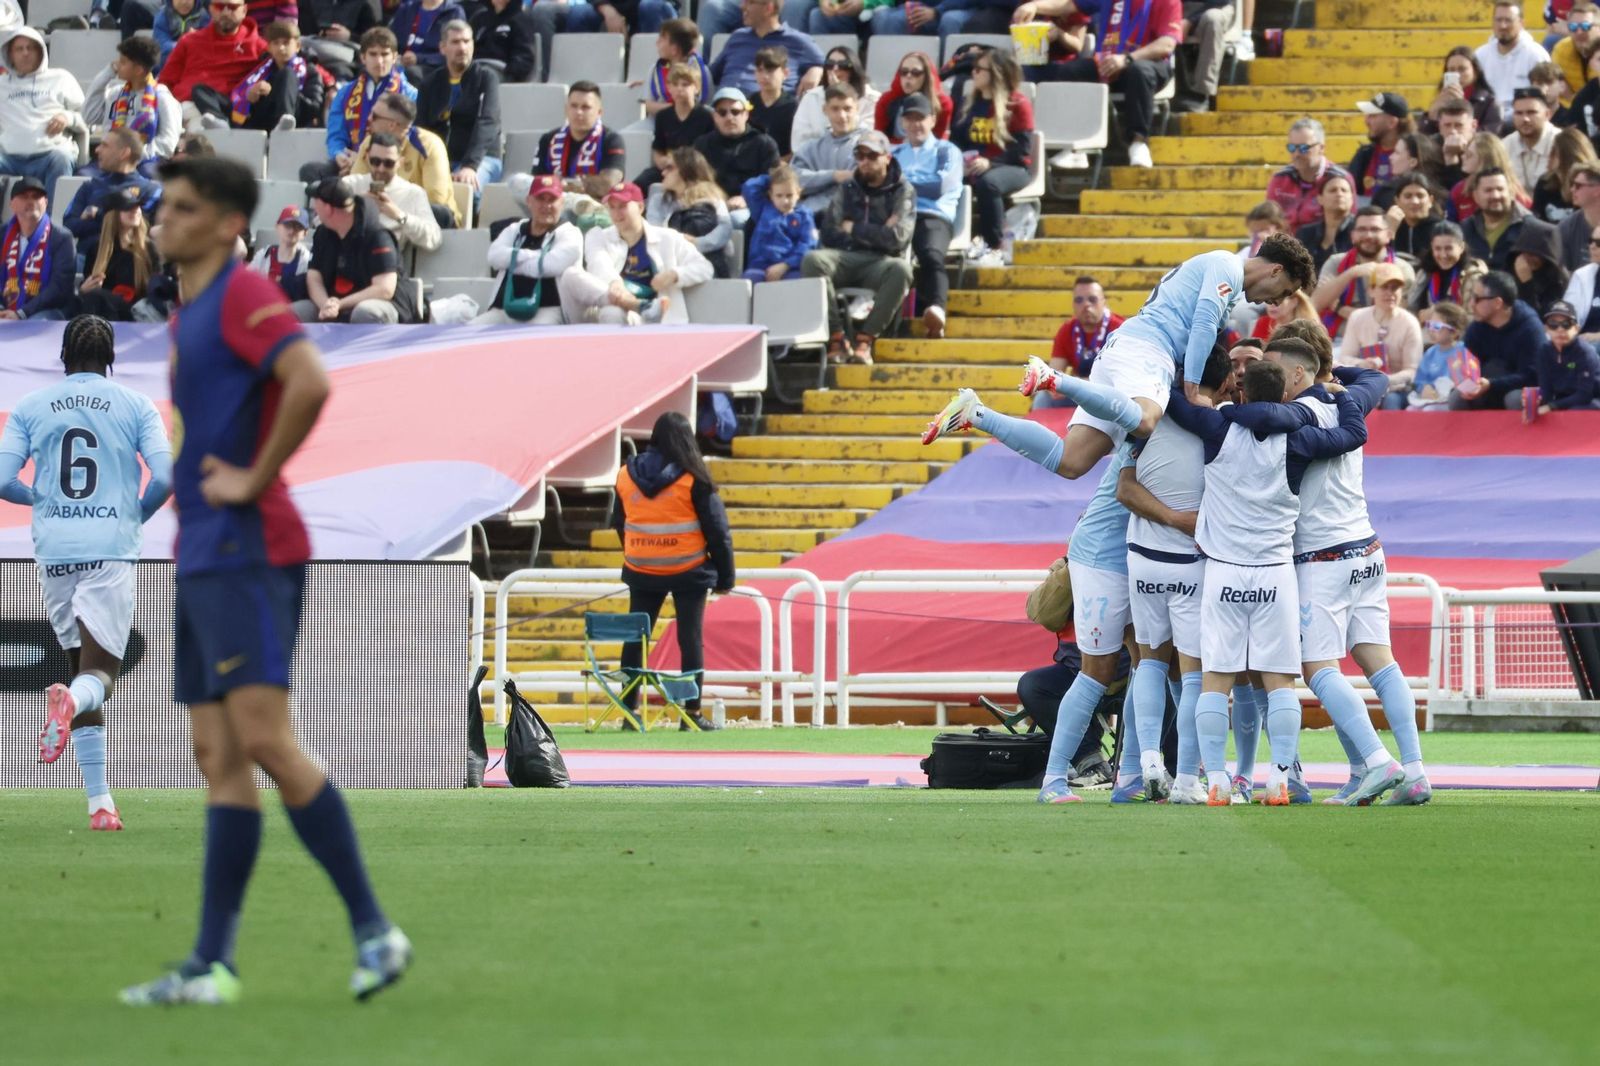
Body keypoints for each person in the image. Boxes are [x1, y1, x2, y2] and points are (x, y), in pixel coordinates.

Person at [120, 154, 410, 1007]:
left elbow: (311, 378)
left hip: (251, 545)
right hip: (202, 551)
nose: (160, 220)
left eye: (177, 208)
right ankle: (211, 965)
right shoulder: (191, 312)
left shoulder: (245, 294)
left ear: (219, 223)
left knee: (264, 741)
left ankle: (374, 930)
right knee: (217, 753)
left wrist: (251, 478)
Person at [1166, 350, 1385, 806]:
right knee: (1280, 681)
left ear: (1242, 389)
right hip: (1276, 574)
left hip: (1223, 573)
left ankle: (1220, 783)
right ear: (1285, 391)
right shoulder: (1301, 438)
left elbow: (1173, 403)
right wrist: (1337, 396)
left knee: (1217, 682)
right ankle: (1280, 779)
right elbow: (1354, 433)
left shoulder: (1218, 426)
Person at [925, 235, 1315, 484]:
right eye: (1286, 289)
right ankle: (1054, 379)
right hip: (1146, 351)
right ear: (1276, 269)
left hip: (1126, 349)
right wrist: (1194, 391)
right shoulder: (1227, 265)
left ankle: (976, 413)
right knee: (1146, 419)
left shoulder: (1222, 274)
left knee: (1071, 462)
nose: (1279, 300)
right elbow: (1201, 324)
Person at [0, 315, 171, 831]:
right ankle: (69, 701)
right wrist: (135, 513)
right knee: (100, 680)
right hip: (110, 550)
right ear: (111, 358)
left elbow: (3, 479)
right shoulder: (136, 405)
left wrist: (41, 499)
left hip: (54, 552)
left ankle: (100, 805)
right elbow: (165, 476)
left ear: (63, 357)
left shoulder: (31, 406)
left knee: (83, 669)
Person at [1257, 341, 1430, 804]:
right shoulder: (1344, 401)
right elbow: (1374, 377)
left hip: (1322, 556)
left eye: (1273, 371)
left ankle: (1377, 761)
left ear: (1297, 375)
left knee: (1317, 669)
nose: (1268, 380)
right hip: (1367, 547)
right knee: (1380, 661)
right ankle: (1413, 771)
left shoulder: (1295, 417)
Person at [1111, 344, 1238, 803]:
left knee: (1149, 661)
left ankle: (1147, 759)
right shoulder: (1225, 429)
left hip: (1143, 557)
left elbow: (1124, 488)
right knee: (1194, 677)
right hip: (1192, 562)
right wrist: (1184, 520)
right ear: (1224, 383)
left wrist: (1164, 516)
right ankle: (1186, 779)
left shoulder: (1144, 421)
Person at [609, 411, 735, 733]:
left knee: (635, 640)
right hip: (688, 570)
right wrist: (725, 577)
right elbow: (718, 532)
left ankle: (629, 714)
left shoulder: (625, 474)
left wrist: (640, 551)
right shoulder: (694, 478)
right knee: (689, 639)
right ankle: (691, 713)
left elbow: (618, 522)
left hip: (641, 569)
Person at [1014, 0, 1181, 169]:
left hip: (1150, 63)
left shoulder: (1168, 2)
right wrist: (1034, 6)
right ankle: (1076, 148)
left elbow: (1166, 45)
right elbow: (1068, 5)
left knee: (1138, 71)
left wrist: (1127, 59)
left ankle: (1138, 142)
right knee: (1071, 71)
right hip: (1109, 61)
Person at [801, 130, 915, 365]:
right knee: (813, 260)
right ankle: (836, 337)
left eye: (871, 156)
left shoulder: (903, 190)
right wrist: (877, 231)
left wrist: (853, 228)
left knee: (901, 270)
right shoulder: (848, 187)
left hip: (881, 261)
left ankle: (865, 339)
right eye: (859, 155)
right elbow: (830, 232)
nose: (864, 162)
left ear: (887, 157)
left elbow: (897, 238)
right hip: (846, 256)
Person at [557, 181, 714, 325]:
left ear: (640, 207)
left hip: (651, 319)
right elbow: (598, 264)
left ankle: (641, 309)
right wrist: (614, 283)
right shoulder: (598, 236)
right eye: (612, 207)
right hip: (602, 307)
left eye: (623, 206)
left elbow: (704, 267)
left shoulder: (668, 238)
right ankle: (636, 305)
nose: (617, 213)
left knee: (612, 313)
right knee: (570, 275)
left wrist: (674, 274)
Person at [948, 48, 1035, 266]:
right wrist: (961, 162)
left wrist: (990, 162)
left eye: (979, 69)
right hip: (974, 166)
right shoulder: (968, 104)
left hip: (1013, 167)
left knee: (989, 184)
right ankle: (953, 241)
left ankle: (994, 246)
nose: (973, 73)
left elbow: (1022, 149)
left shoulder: (1017, 104)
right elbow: (956, 141)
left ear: (996, 73)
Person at [293, 176, 420, 323]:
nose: (313, 207)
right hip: (333, 302)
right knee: (292, 313)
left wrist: (341, 304)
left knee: (365, 312)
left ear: (328, 209)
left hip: (383, 303)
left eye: (316, 201)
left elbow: (384, 289)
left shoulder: (377, 236)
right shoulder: (323, 234)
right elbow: (314, 277)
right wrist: (325, 304)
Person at [892, 94, 962, 340]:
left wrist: (900, 184)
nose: (915, 124)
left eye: (920, 118)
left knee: (931, 253)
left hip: (932, 214)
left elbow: (940, 185)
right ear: (902, 122)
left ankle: (936, 309)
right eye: (909, 119)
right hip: (898, 215)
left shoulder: (947, 150)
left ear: (932, 120)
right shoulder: (895, 153)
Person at [310, 27, 417, 182]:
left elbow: (408, 139)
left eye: (385, 54)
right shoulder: (345, 93)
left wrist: (363, 160)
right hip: (349, 161)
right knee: (311, 172)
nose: (379, 61)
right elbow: (335, 135)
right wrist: (340, 155)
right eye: (373, 54)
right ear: (363, 57)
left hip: (389, 166)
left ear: (394, 57)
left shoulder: (409, 94)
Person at [474, 174, 581, 323]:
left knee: (534, 340)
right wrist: (536, 258)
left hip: (548, 309)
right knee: (468, 333)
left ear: (562, 203)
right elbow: (494, 256)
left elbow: (553, 265)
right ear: (528, 201)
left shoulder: (570, 232)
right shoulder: (515, 228)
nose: (546, 205)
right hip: (504, 309)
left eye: (552, 200)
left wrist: (513, 260)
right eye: (540, 199)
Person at [349, 92, 461, 229]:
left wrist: (393, 208)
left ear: (392, 125)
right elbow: (353, 187)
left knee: (439, 212)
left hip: (423, 221)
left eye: (375, 116)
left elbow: (436, 200)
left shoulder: (430, 145)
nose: (368, 118)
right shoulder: (369, 143)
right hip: (380, 215)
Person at [0, 29, 88, 203]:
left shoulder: (61, 78)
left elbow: (88, 115)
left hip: (50, 155)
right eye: (19, 49)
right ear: (9, 54)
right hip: (9, 157)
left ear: (41, 51)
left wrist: (67, 118)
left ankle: (53, 225)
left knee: (61, 158)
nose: (25, 53)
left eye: (31, 48)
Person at [416, 20, 504, 191]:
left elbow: (488, 122)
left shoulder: (486, 78)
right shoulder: (430, 83)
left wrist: (470, 165)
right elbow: (421, 128)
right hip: (441, 159)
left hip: (482, 158)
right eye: (455, 42)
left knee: (463, 186)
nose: (462, 48)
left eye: (466, 41)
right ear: (442, 47)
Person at [1312, 205, 1417, 338]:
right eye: (1362, 230)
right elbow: (1315, 304)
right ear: (1353, 236)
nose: (1368, 235)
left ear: (1388, 235)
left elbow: (1395, 315)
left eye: (1375, 229)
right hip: (1338, 338)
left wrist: (1340, 308)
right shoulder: (1336, 262)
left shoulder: (1402, 268)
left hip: (1385, 339)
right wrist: (1351, 273)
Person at [160, 0, 268, 128]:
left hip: (227, 110)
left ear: (244, 10)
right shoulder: (189, 41)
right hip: (184, 107)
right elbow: (165, 83)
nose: (226, 12)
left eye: (232, 7)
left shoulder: (258, 46)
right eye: (220, 6)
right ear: (211, 9)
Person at [83, 35, 183, 170]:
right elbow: (89, 115)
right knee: (83, 174)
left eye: (123, 62)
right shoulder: (116, 94)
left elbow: (168, 143)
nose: (117, 65)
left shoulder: (162, 97)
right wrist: (108, 73)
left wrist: (132, 156)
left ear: (138, 70)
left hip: (145, 162)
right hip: (111, 160)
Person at [65, 128, 162, 264]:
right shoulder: (90, 186)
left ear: (124, 153)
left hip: (131, 263)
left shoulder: (151, 190)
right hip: (87, 259)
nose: (97, 150)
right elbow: (69, 225)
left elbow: (142, 225)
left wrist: (97, 214)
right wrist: (115, 220)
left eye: (105, 145)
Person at [526, 0, 676, 88]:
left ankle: (655, 81)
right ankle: (581, 85)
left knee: (651, 7)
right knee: (579, 15)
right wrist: (606, 8)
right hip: (610, 4)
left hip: (651, 5)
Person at [63, 186, 159, 321]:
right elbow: (88, 289)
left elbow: (156, 293)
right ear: (113, 215)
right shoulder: (96, 250)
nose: (136, 211)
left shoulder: (150, 250)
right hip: (103, 314)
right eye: (128, 208)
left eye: (137, 207)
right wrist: (84, 289)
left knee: (97, 296)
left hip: (137, 314)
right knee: (87, 299)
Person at [1336, 262, 1422, 407]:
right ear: (1371, 290)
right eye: (1384, 287)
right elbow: (1345, 357)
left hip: (1397, 388)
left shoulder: (1410, 323)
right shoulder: (1357, 317)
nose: (1390, 293)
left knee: (1391, 401)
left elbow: (1412, 370)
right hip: (1364, 383)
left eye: (1395, 288)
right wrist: (1361, 364)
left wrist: (1384, 381)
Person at [1454, 268, 1544, 407]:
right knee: (1457, 398)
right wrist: (1465, 379)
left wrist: (1492, 384)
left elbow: (1533, 376)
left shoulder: (1529, 329)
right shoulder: (1477, 327)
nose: (1471, 304)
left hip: (1517, 386)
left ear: (1497, 303)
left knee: (1516, 399)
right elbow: (1469, 363)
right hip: (1486, 385)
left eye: (1477, 299)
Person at [343, 130, 444, 254]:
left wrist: (399, 216)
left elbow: (434, 238)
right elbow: (320, 222)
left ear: (400, 163)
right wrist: (354, 206)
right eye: (375, 161)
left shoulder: (413, 193)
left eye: (388, 163)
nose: (381, 168)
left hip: (387, 260)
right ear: (367, 157)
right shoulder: (350, 185)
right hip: (349, 257)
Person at [1036, 276, 1125, 409]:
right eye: (1079, 300)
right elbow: (1053, 374)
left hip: (1111, 392)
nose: (1086, 305)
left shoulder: (1120, 329)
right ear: (1073, 305)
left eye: (1092, 299)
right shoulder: (1067, 330)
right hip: (1079, 391)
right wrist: (1055, 386)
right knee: (1043, 399)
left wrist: (1070, 383)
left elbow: (1120, 379)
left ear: (1103, 302)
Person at [694, 87, 781, 221]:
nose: (729, 117)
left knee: (736, 219)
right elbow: (694, 180)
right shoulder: (702, 144)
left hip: (748, 205)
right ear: (714, 117)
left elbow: (772, 182)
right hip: (710, 203)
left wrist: (747, 198)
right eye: (722, 112)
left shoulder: (764, 144)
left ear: (746, 114)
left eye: (735, 112)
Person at [647, 147, 735, 278]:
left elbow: (725, 228)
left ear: (686, 170)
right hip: (669, 259)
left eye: (670, 168)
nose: (663, 173)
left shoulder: (712, 199)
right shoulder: (658, 200)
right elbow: (654, 231)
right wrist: (682, 242)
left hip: (706, 259)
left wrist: (698, 243)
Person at [708, 0, 825, 98]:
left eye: (749, 2)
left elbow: (833, 67)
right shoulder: (737, 37)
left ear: (768, 8)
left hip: (769, 116)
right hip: (724, 113)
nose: (742, 6)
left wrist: (817, 70)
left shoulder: (798, 41)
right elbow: (710, 75)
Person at [223, 18, 323, 133]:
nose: (281, 48)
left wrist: (288, 92)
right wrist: (251, 97)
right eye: (276, 43)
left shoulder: (310, 71)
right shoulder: (261, 72)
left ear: (297, 46)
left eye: (286, 43)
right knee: (202, 89)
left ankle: (285, 120)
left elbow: (314, 108)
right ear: (269, 47)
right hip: (265, 124)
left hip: (298, 123)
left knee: (287, 73)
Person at [0, 178, 78, 322]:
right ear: (12, 204)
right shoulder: (2, 234)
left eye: (37, 197)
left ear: (46, 203)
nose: (31, 201)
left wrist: (22, 313)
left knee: (36, 323)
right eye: (24, 197)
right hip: (6, 307)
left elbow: (59, 287)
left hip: (48, 310)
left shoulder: (62, 238)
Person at [535, 80, 627, 200]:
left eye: (585, 107)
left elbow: (608, 185)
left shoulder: (611, 139)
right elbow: (538, 182)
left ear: (599, 112)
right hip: (553, 201)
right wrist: (577, 185)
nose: (578, 112)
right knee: (517, 182)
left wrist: (563, 184)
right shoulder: (549, 139)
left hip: (593, 206)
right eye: (574, 106)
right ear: (566, 109)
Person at [1264, 119, 1350, 233]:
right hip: (1286, 246)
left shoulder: (1340, 180)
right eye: (1292, 148)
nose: (1297, 154)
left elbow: (1349, 225)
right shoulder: (1280, 179)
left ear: (1321, 148)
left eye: (1304, 148)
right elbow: (1268, 222)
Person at [641, 61, 714, 190]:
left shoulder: (707, 116)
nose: (679, 89)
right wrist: (662, 162)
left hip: (694, 170)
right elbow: (658, 149)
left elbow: (709, 154)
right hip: (668, 168)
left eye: (685, 85)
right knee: (640, 183)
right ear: (669, 88)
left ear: (696, 88)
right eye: (675, 84)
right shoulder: (663, 116)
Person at [793, 84, 864, 214]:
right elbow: (793, 181)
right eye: (835, 109)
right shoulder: (810, 148)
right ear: (825, 110)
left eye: (847, 109)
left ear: (857, 108)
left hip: (847, 218)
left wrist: (815, 182)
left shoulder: (868, 145)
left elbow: (862, 182)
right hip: (806, 217)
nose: (842, 116)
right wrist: (834, 176)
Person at [1476, 2, 1551, 123]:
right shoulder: (1480, 55)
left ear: (1521, 23)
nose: (1503, 26)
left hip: (1523, 120)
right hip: (1487, 121)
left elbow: (1543, 96)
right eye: (1498, 20)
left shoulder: (1536, 54)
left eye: (1508, 20)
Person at [741, 163, 816, 284]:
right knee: (749, 280)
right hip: (760, 267)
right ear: (771, 194)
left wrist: (786, 265)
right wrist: (773, 177)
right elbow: (749, 186)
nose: (785, 201)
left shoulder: (804, 216)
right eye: (779, 195)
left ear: (798, 193)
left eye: (789, 195)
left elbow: (807, 244)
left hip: (789, 268)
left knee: (800, 281)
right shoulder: (763, 209)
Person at [791, 46, 878, 148]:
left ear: (853, 69)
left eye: (843, 65)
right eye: (830, 64)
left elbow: (869, 137)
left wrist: (839, 93)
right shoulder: (811, 97)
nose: (835, 69)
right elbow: (798, 142)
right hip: (817, 159)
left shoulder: (872, 99)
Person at [636, 17, 711, 119]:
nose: (657, 43)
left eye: (662, 39)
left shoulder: (701, 71)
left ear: (674, 49)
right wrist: (675, 109)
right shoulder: (655, 70)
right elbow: (649, 106)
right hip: (660, 121)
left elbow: (707, 105)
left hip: (694, 121)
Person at [1406, 301, 1477, 409]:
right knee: (1410, 410)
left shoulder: (1463, 351)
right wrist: (1424, 388)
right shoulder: (1430, 353)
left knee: (1429, 411)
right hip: (1430, 399)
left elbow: (1470, 380)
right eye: (1429, 324)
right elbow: (1419, 379)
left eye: (1436, 326)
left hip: (1451, 402)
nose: (1431, 330)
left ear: (1455, 332)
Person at [1171, 0, 1237, 114]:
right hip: (1182, 8)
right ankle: (1173, 92)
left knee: (1213, 19)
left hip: (1217, 6)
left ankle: (1202, 94)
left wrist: (1190, 20)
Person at [1421, 45, 1502, 136]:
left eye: (1462, 69)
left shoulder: (1489, 103)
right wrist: (1431, 116)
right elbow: (1424, 139)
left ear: (1475, 72)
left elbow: (1489, 136)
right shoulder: (1441, 101)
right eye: (1451, 70)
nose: (1457, 74)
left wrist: (1462, 106)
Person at [1534, 298, 1600, 408]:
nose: (1560, 329)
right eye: (1553, 324)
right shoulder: (1544, 351)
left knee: (1576, 411)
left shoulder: (1585, 353)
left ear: (1576, 328)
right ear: (1546, 329)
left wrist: (1552, 406)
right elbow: (1546, 389)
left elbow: (1584, 395)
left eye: (1566, 324)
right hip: (1562, 399)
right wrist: (1537, 403)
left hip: (1592, 399)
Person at [1409, 219, 1487, 311]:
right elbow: (1410, 308)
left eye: (1448, 248)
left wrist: (1435, 315)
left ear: (1461, 247)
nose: (1443, 255)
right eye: (1437, 249)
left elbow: (1474, 317)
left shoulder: (1473, 276)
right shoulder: (1425, 273)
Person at [876, 50, 952, 143]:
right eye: (904, 72)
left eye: (915, 72)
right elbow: (878, 136)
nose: (908, 76)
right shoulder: (886, 100)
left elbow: (940, 138)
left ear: (926, 76)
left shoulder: (942, 103)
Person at [1464, 166, 1532, 268]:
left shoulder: (1530, 228)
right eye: (1488, 190)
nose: (1495, 195)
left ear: (1511, 192)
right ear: (1476, 196)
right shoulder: (1466, 228)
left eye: (1500, 189)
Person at [1350, 92, 1413, 200]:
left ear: (1392, 122)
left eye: (1373, 116)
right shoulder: (1365, 154)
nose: (1367, 121)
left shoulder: (1415, 153)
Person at [388, 0, 467, 85]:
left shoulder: (454, 12)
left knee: (412, 73)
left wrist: (419, 58)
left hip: (434, 67)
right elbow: (391, 40)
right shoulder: (407, 8)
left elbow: (453, 53)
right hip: (402, 61)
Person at [298, 0, 379, 81]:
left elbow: (375, 38)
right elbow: (304, 28)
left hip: (348, 55)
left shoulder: (367, 3)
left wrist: (349, 36)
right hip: (314, 48)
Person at [1532, 128, 1599, 225]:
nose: (1549, 157)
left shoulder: (1591, 184)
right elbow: (1537, 222)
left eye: (1554, 152)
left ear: (1566, 157)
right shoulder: (1545, 184)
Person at [1294, 169, 1356, 273]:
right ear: (1320, 199)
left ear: (1352, 198)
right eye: (1333, 190)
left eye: (1344, 190)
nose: (1339, 194)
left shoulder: (1361, 230)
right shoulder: (1305, 234)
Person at [248, 204, 313, 299]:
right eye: (287, 225)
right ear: (277, 227)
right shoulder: (263, 255)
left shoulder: (308, 261)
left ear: (305, 233)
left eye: (297, 227)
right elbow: (248, 281)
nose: (291, 231)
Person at [1502, 86, 1559, 189]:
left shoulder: (1561, 143)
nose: (1525, 119)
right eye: (1519, 113)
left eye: (1531, 112)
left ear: (1547, 114)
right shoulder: (1505, 145)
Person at [1509, 216, 1571, 309]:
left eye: (1533, 255)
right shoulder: (1512, 266)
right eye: (1525, 253)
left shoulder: (1558, 280)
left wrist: (1526, 283)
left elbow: (1542, 317)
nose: (1528, 259)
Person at [468, 0, 536, 84]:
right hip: (474, 68)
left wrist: (510, 74)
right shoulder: (478, 19)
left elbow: (524, 57)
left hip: (500, 73)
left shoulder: (521, 19)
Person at [748, 46, 799, 158]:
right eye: (760, 70)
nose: (764, 76)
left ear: (785, 73)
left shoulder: (794, 107)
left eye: (770, 71)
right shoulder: (748, 103)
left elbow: (797, 148)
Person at [1385, 173, 1443, 258]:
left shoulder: (1441, 228)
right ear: (1397, 201)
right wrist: (1390, 231)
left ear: (1430, 200)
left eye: (1420, 196)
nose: (1414, 201)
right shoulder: (1390, 225)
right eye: (1408, 196)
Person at [1555, 161, 1600, 268]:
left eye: (1578, 186)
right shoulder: (1566, 228)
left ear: (1597, 190)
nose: (1572, 190)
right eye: (1572, 185)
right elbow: (1563, 274)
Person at [1551, 0, 1600, 93]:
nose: (1579, 32)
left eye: (1585, 26)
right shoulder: (1561, 50)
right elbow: (1560, 94)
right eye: (1573, 26)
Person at [1561, 217, 1600, 333]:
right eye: (1590, 241)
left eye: (1598, 243)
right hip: (1582, 344)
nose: (1592, 246)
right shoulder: (1582, 275)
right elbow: (1567, 315)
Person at [1433, 98, 1479, 195]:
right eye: (1447, 125)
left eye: (1458, 125)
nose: (1453, 131)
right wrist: (1450, 159)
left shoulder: (1484, 148)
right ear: (1439, 127)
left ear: (1474, 126)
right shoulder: (1430, 148)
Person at [154, 0, 212, 71]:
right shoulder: (163, 15)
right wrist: (184, 42)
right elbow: (161, 45)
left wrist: (198, 37)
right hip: (168, 63)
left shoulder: (204, 16)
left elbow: (210, 44)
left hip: (196, 65)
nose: (184, 2)